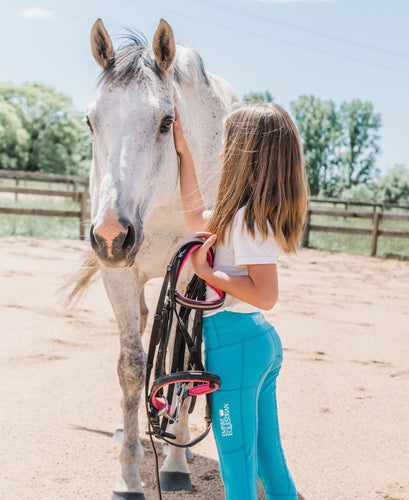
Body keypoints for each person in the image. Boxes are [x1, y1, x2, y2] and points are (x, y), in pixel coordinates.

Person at [173, 103, 308, 500]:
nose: (220, 153)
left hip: (235, 347)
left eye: (226, 143)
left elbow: (266, 294)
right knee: (268, 461)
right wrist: (184, 154)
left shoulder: (249, 220)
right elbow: (197, 217)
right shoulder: (243, 216)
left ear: (245, 152)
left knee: (236, 467)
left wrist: (207, 274)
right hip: (253, 343)